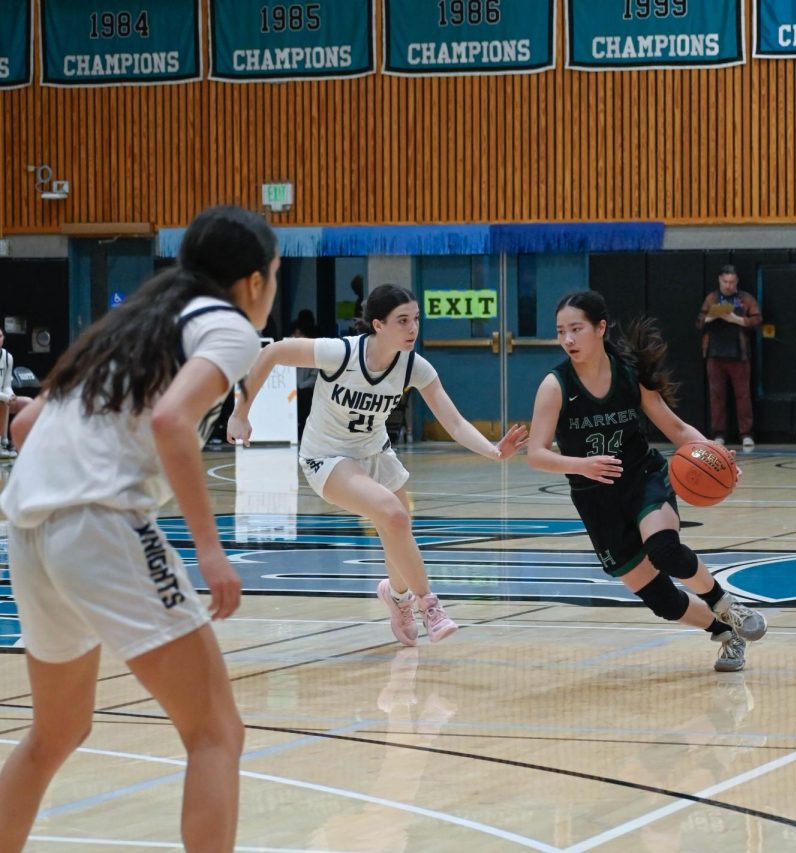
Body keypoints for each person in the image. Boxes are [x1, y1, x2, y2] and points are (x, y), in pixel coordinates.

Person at [0, 205, 279, 853]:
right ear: (254, 281)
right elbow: (172, 422)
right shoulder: (231, 328)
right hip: (100, 522)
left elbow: (22, 427)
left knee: (56, 730)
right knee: (216, 730)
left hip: (28, 525)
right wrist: (210, 550)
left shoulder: (126, 324)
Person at [227, 284, 526, 645]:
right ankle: (430, 606)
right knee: (394, 515)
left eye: (415, 319)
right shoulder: (339, 353)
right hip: (327, 457)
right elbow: (271, 352)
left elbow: (456, 422)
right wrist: (240, 413)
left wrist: (494, 450)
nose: (413, 328)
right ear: (378, 324)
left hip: (376, 453)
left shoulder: (414, 367)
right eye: (402, 321)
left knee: (397, 530)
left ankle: (396, 597)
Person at [527, 290, 767, 672]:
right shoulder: (555, 387)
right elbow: (536, 454)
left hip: (642, 478)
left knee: (664, 549)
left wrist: (716, 458)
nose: (568, 340)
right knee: (663, 601)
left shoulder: (629, 375)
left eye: (576, 329)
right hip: (595, 499)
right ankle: (724, 631)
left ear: (600, 328)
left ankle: (727, 604)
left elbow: (676, 428)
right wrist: (581, 465)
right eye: (561, 332)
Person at [696, 265, 761, 452]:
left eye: (731, 282)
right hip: (715, 354)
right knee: (717, 396)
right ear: (719, 281)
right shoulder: (712, 298)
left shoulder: (745, 299)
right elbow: (699, 321)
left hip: (739, 355)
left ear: (737, 282)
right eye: (725, 282)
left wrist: (736, 319)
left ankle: (746, 434)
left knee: (743, 396)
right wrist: (710, 317)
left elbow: (757, 319)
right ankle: (719, 434)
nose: (728, 285)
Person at [0, 329, 32, 458]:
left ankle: (16, 443)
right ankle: (2, 442)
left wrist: (11, 395)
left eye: (0, 336)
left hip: (3, 397)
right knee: (3, 402)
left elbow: (7, 385)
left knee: (28, 403)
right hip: (2, 400)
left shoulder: (8, 357)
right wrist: (7, 398)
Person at [289, 311, 318, 437]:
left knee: (305, 398)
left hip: (305, 389)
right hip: (292, 389)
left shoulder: (314, 350)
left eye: (298, 333)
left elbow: (314, 376)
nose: (295, 336)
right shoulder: (288, 348)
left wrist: (300, 386)